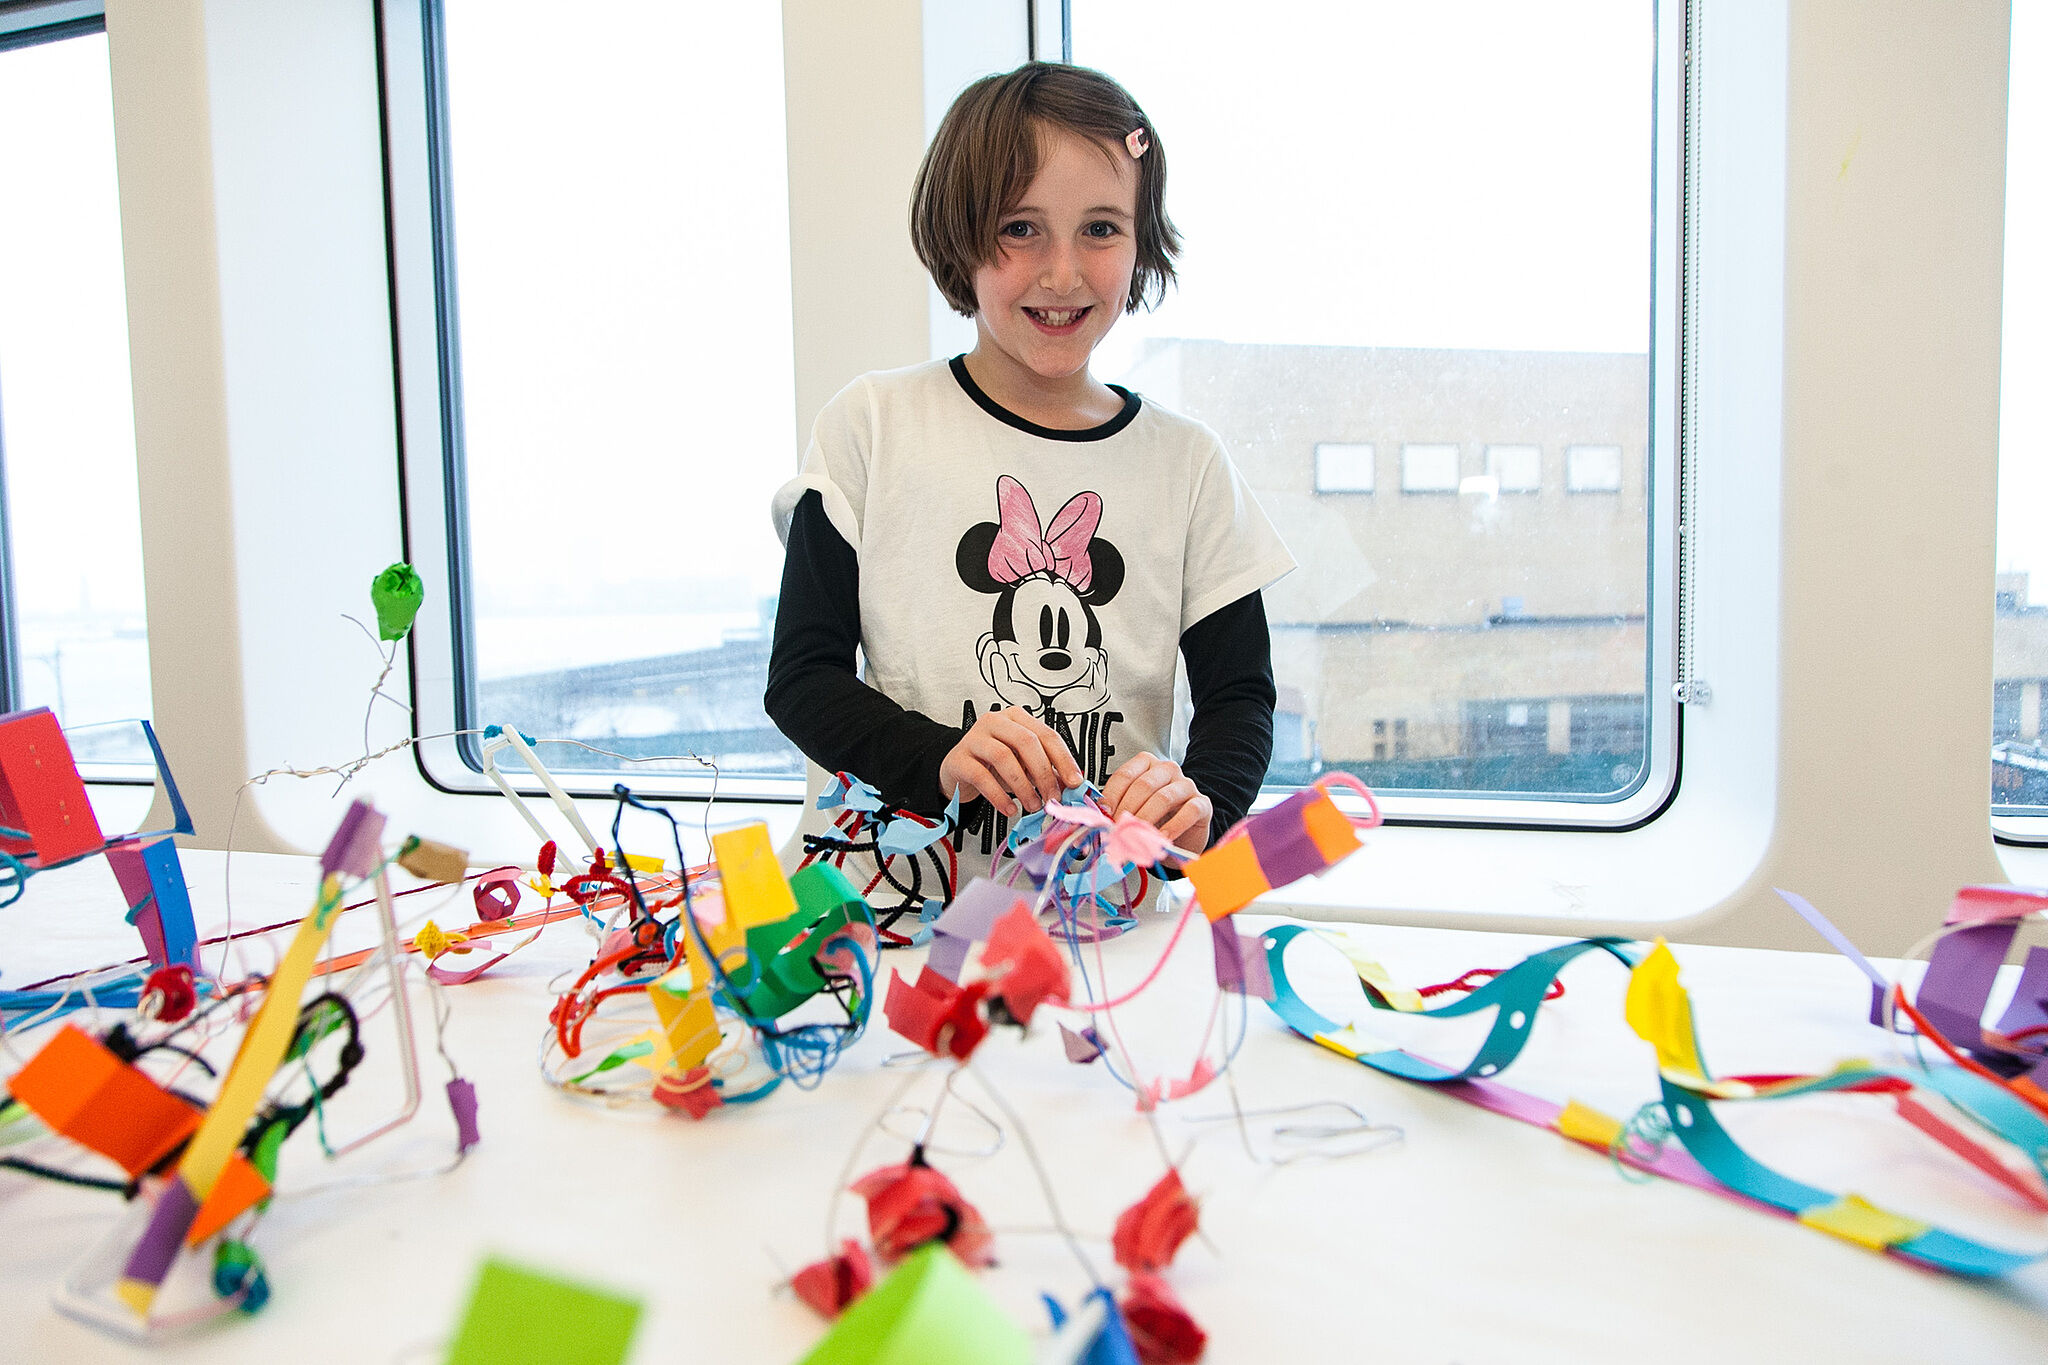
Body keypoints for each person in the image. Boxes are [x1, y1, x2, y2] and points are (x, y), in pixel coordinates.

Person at [766, 61, 1293, 870]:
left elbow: (1240, 700)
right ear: (960, 234)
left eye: (1101, 228)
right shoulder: (871, 424)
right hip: (881, 926)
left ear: (1140, 242)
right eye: (1021, 228)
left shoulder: (1188, 465)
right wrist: (942, 757)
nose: (1063, 272)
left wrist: (1200, 807)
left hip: (1102, 929)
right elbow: (803, 677)